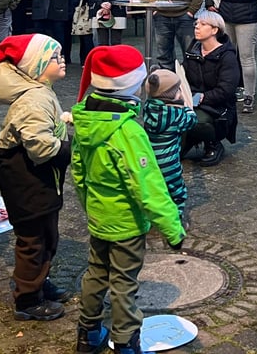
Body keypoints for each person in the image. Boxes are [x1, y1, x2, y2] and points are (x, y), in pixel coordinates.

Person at [71, 45, 185, 354]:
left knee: (96, 273)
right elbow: (148, 186)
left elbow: (78, 172)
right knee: (123, 283)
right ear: (131, 84)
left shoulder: (84, 120)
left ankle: (87, 334)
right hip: (126, 224)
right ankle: (125, 343)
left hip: (99, 217)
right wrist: (173, 229)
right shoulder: (129, 131)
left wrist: (90, 206)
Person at [0, 34, 73, 320]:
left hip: (39, 179)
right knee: (33, 239)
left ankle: (40, 280)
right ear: (37, 66)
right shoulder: (33, 100)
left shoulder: (41, 91)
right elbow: (41, 148)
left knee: (48, 234)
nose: (63, 60)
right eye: (55, 57)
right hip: (27, 180)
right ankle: (28, 298)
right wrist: (70, 148)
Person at [141, 68, 196, 226]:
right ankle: (175, 219)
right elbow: (192, 120)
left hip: (151, 161)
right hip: (169, 163)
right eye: (177, 90)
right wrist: (186, 107)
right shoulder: (175, 115)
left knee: (154, 190)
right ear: (170, 95)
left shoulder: (148, 108)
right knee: (176, 191)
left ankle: (152, 217)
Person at [183, 10, 239, 166]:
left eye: (203, 24)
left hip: (218, 108)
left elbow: (226, 90)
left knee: (197, 121)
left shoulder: (227, 56)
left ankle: (212, 143)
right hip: (191, 102)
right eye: (196, 24)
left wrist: (201, 98)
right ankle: (189, 139)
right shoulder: (192, 51)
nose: (197, 27)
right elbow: (183, 76)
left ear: (215, 30)